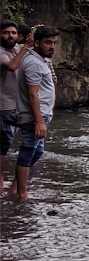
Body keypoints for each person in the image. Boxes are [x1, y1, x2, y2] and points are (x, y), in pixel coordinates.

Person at [9, 25, 58, 202]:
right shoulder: (33, 63)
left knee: (36, 152)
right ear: (36, 42)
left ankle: (15, 188)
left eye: (54, 43)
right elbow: (32, 93)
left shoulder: (40, 60)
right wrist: (38, 120)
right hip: (34, 116)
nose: (52, 46)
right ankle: (22, 193)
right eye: (47, 43)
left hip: (42, 114)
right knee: (28, 151)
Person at [1, 20, 31, 181]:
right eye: (6, 32)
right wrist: (25, 47)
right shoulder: (1, 52)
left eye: (13, 33)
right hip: (4, 106)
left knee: (28, 141)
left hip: (20, 105)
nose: (10, 36)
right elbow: (12, 66)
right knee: (3, 146)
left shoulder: (20, 48)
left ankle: (17, 185)